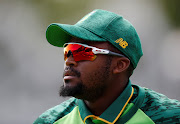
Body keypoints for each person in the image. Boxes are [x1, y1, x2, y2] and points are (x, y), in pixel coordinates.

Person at [34, 9, 180, 124]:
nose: (69, 61)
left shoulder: (171, 117)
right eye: (68, 51)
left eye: (82, 51)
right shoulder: (50, 121)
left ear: (119, 65)